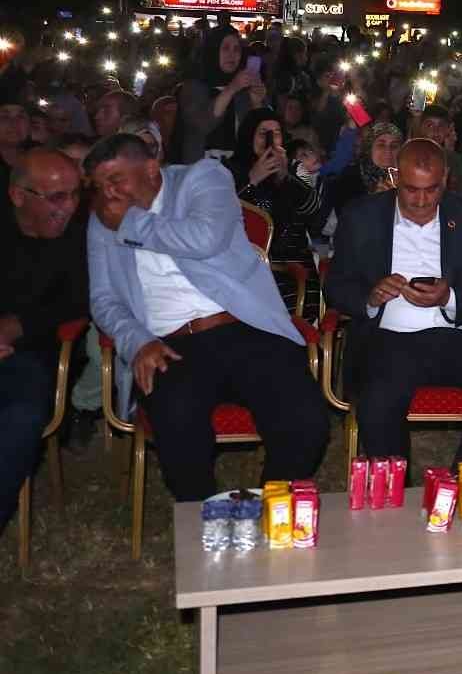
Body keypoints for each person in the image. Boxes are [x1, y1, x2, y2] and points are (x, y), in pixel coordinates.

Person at [85, 135, 327, 501]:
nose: (109, 193)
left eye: (116, 180)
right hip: (168, 343)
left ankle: (266, 509)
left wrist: (130, 224)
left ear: (151, 168)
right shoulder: (103, 216)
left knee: (305, 419)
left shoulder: (202, 178)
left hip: (243, 326)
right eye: (100, 186)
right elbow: (103, 299)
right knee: (178, 423)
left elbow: (204, 239)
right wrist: (137, 341)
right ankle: (203, 521)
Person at [324, 140, 462, 472]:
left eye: (431, 190)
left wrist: (450, 298)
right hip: (388, 338)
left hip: (456, 336)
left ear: (446, 178)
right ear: (394, 177)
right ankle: (396, 500)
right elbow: (336, 286)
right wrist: (372, 298)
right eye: (410, 190)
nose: (420, 200)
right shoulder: (361, 216)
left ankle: (460, 484)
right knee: (377, 404)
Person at [1, 149, 88, 534]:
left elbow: (80, 300)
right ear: (18, 195)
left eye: (74, 194)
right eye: (56, 197)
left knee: (21, 417)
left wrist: (16, 327)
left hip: (31, 355)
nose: (68, 207)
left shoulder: (80, 234)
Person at [230, 109, 322, 314]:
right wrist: (251, 181)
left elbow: (313, 211)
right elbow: (224, 218)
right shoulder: (231, 171)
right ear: (249, 136)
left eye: (277, 133)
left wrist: (283, 177)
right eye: (264, 133)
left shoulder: (295, 169)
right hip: (249, 267)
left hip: (294, 267)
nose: (271, 140)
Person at [174, 25, 265, 164]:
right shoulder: (193, 86)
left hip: (237, 170)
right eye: (225, 48)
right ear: (213, 51)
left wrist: (257, 102)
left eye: (237, 49)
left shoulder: (243, 89)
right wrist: (231, 88)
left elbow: (255, 134)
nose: (232, 55)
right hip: (200, 170)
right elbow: (202, 124)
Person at [330, 120, 402, 212]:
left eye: (394, 146)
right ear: (369, 148)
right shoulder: (350, 176)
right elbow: (345, 216)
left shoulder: (407, 178)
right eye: (381, 145)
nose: (388, 151)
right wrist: (374, 200)